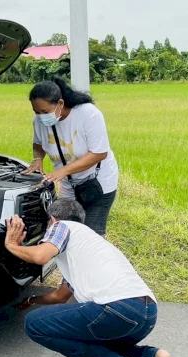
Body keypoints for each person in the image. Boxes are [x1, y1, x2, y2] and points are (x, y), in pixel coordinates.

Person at [4, 199, 186, 357]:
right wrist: (31, 301)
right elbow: (60, 296)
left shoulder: (62, 226)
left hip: (116, 308)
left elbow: (40, 256)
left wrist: (12, 245)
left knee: (34, 323)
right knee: (94, 342)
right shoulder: (88, 246)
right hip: (146, 313)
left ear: (52, 220)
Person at [23, 76, 119, 237]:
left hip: (98, 182)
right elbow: (38, 143)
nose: (40, 116)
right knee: (64, 228)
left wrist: (63, 171)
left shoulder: (87, 113)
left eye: (45, 112)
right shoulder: (39, 121)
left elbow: (99, 153)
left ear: (60, 103)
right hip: (69, 185)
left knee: (92, 233)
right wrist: (37, 159)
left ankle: (95, 260)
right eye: (36, 112)